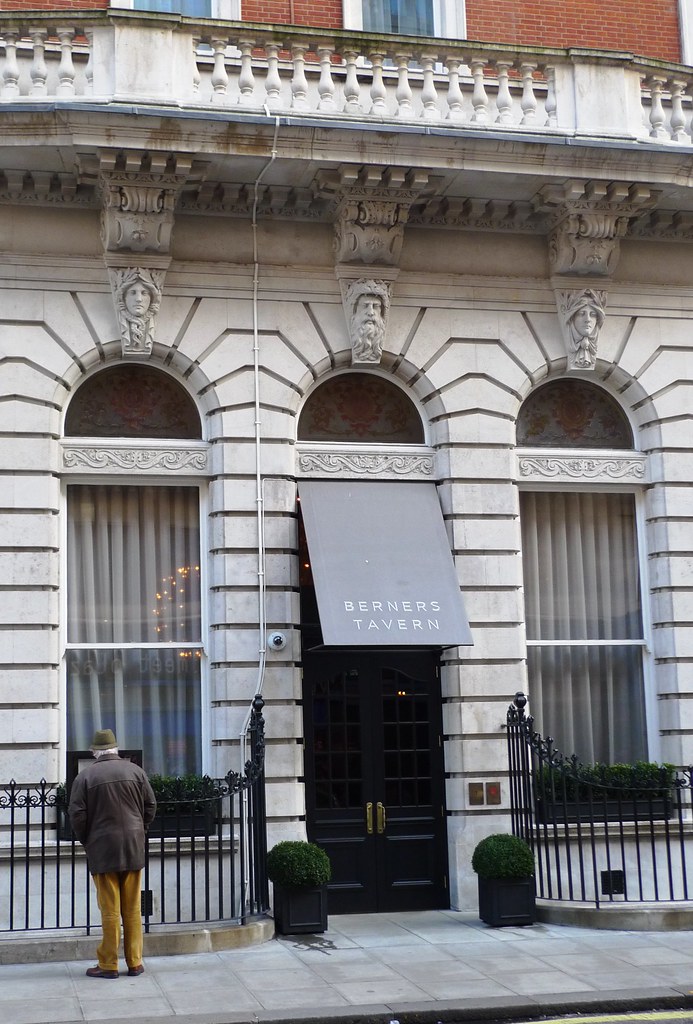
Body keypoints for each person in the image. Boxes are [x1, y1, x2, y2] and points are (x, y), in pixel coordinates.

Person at [68, 728, 157, 979]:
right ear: (116, 749)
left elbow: (77, 815)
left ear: (94, 751)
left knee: (110, 910)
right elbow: (150, 806)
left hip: (102, 848)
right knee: (132, 908)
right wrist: (140, 830)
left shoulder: (84, 777)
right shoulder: (136, 772)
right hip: (132, 845)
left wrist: (88, 840)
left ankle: (108, 964)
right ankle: (135, 962)